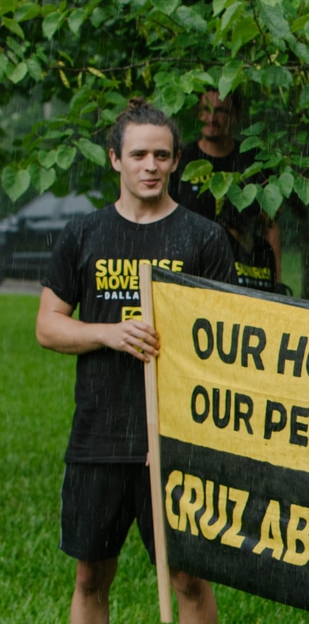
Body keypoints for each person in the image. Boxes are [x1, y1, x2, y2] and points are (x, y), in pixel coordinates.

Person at [36, 97, 236, 623]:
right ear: (115, 160)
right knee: (90, 575)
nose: (151, 166)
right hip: (98, 436)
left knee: (189, 577)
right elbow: (48, 325)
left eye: (163, 156)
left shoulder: (203, 238)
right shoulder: (84, 234)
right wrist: (110, 333)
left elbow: (225, 342)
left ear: (175, 160)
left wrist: (182, 432)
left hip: (174, 436)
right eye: (140, 155)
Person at [169, 88, 282, 292]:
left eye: (221, 111)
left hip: (245, 275)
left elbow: (270, 226)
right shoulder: (182, 160)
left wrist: (277, 285)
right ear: (197, 111)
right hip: (192, 274)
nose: (211, 118)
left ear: (236, 115)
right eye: (206, 109)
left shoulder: (252, 161)